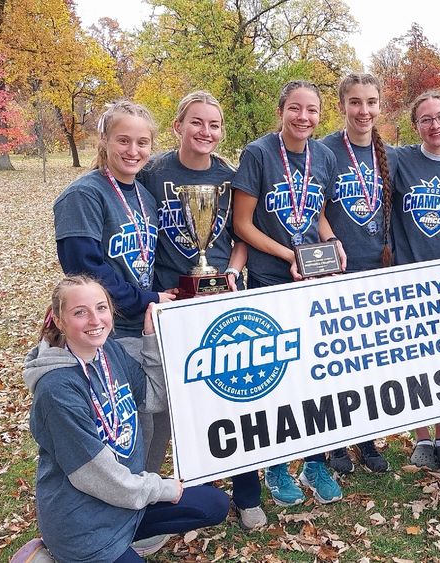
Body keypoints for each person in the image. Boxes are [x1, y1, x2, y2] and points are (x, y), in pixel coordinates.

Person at [18, 275, 229, 562]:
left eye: (101, 308)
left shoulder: (109, 351)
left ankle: (129, 541)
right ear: (58, 320)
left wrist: (151, 338)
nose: (95, 320)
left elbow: (153, 398)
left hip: (127, 504)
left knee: (213, 505)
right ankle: (56, 555)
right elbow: (99, 478)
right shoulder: (56, 389)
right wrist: (161, 488)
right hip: (85, 525)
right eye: (80, 312)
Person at [137, 91, 264, 530]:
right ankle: (154, 495)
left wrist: (230, 271)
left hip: (221, 300)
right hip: (170, 306)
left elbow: (244, 233)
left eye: (213, 125)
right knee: (167, 405)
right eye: (196, 122)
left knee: (234, 396)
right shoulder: (152, 173)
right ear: (178, 126)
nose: (205, 132)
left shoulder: (230, 176)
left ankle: (247, 492)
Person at [53, 101, 177, 522]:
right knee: (126, 427)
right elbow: (85, 267)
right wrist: (148, 301)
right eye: (123, 140)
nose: (133, 150)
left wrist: (164, 297)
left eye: (143, 142)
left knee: (158, 417)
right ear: (103, 140)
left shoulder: (143, 193)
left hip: (147, 324)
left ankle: (143, 503)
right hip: (108, 332)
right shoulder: (83, 194)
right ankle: (118, 513)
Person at [232, 79, 344, 505]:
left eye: (312, 110)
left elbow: (315, 215)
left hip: (311, 279)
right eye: (295, 108)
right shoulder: (259, 153)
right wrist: (289, 256)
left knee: (316, 375)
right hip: (268, 279)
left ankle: (315, 462)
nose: (304, 117)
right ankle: (276, 468)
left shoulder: (326, 156)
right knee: (277, 381)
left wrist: (331, 242)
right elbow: (243, 224)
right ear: (281, 110)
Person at [319, 73, 395, 475]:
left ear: (380, 106)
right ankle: (334, 442)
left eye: (371, 102)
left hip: (377, 271)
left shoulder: (389, 155)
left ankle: (366, 439)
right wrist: (330, 241)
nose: (364, 111)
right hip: (336, 271)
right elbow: (309, 206)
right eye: (355, 102)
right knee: (336, 363)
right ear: (342, 105)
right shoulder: (325, 150)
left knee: (368, 363)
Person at [392, 91, 440, 471]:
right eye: (425, 119)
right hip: (408, 273)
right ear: (415, 125)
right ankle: (421, 436)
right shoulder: (401, 159)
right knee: (412, 358)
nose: (434, 125)